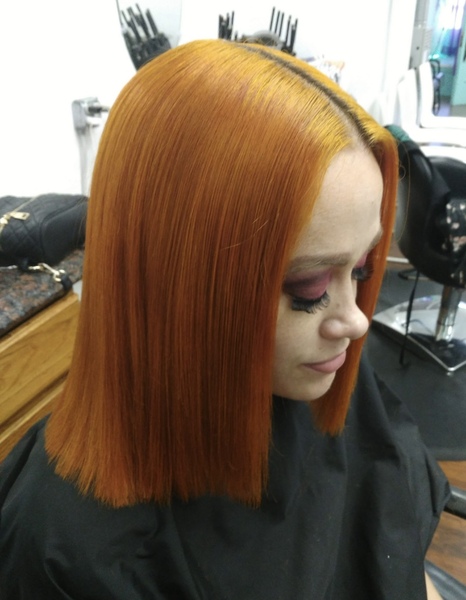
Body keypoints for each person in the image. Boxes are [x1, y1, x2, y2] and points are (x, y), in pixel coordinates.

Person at [0, 39, 448, 599]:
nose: (356, 322)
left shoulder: (322, 378)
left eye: (360, 269)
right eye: (310, 287)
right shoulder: (65, 550)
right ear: (182, 284)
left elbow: (402, 558)